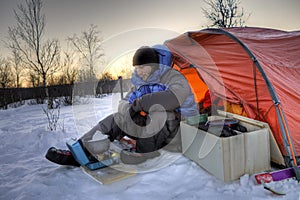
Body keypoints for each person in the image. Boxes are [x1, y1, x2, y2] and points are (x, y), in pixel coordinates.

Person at [45, 45, 199, 166]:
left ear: (153, 65)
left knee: (159, 112)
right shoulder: (140, 83)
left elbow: (175, 98)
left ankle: (143, 153)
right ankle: (79, 151)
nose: (138, 72)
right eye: (136, 68)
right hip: (153, 132)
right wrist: (129, 109)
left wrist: (142, 103)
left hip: (178, 131)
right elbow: (124, 102)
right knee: (116, 118)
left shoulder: (173, 77)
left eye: (142, 67)